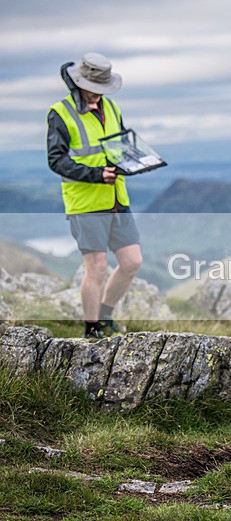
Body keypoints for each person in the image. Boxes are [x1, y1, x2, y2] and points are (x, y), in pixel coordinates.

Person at [47, 53, 142, 339]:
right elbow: (56, 160)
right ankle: (91, 329)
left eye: (102, 89)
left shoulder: (111, 108)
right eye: (92, 88)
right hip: (85, 203)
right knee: (97, 267)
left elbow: (121, 146)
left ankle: (105, 313)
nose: (97, 94)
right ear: (78, 83)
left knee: (132, 262)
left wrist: (136, 160)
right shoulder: (60, 113)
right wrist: (97, 174)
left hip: (116, 199)